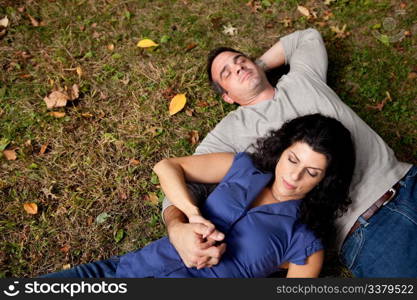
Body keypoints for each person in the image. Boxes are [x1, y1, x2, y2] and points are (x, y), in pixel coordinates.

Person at [162, 28, 416, 277]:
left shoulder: (302, 77)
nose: (237, 67)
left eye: (240, 60)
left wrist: (258, 64)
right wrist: (177, 227)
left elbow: (307, 37)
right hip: (366, 228)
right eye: (226, 73)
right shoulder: (229, 132)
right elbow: (182, 177)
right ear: (227, 97)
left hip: (407, 177)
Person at [42, 114, 355, 278]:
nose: (293, 177)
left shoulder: (307, 239)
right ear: (283, 150)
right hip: (123, 270)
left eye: (312, 173)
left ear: (327, 180)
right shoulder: (242, 166)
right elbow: (167, 167)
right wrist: (189, 217)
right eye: (293, 160)